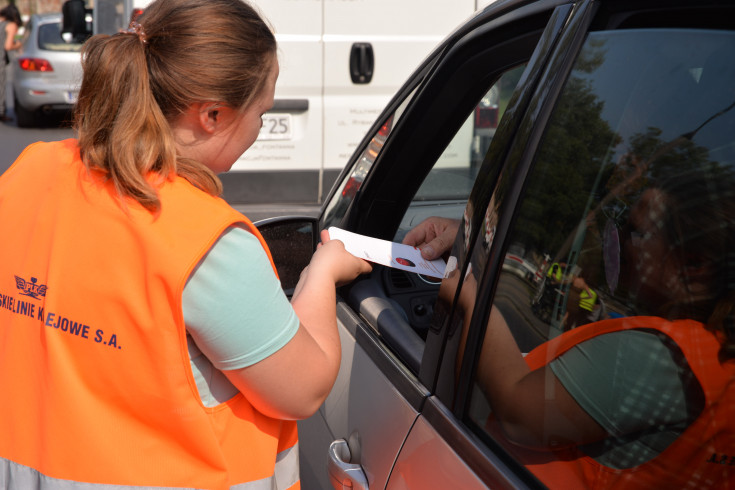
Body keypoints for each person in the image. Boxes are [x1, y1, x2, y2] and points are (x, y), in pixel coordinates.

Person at [0, 0, 371, 488]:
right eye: (261, 110)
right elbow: (302, 391)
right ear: (212, 114)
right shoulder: (206, 242)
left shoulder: (29, 172)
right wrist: (323, 273)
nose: (261, 127)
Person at [405, 172, 735, 488]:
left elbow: (520, 413)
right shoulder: (712, 355)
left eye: (637, 232)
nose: (616, 236)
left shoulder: (661, 358)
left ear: (694, 267)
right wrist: (474, 240)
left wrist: (471, 300)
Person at [0, 3, 22, 122]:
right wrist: (19, 44)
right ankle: (1, 112)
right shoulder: (11, 25)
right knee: (1, 85)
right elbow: (8, 46)